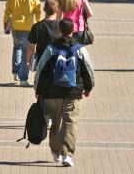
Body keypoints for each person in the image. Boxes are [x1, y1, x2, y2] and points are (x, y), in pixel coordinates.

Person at [34, 17, 96, 167]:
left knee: (56, 123)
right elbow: (89, 69)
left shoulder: (51, 47)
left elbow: (41, 70)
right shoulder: (80, 48)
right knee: (70, 122)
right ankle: (67, 154)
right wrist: (88, 87)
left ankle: (55, 151)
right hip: (73, 92)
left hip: (52, 92)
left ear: (60, 30)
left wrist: (38, 89)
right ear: (73, 30)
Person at [4, 0, 42, 86]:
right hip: (28, 27)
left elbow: (7, 11)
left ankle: (15, 71)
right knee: (26, 52)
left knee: (16, 48)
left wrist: (5, 24)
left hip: (16, 27)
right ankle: (23, 78)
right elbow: (38, 12)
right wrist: (39, 24)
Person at [26, 0, 61, 72]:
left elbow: (31, 48)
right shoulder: (61, 26)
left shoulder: (37, 27)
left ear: (44, 10)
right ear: (57, 10)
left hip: (41, 64)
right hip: (58, 63)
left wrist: (30, 62)